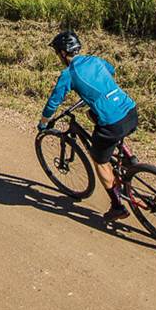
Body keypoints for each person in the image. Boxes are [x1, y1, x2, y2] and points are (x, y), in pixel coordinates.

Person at [39, 30, 139, 221]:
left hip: (113, 123)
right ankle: (127, 158)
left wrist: (44, 123)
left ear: (62, 53)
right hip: (130, 111)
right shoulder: (94, 59)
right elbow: (111, 70)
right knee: (92, 114)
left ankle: (117, 206)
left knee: (99, 159)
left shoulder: (68, 74)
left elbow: (53, 102)